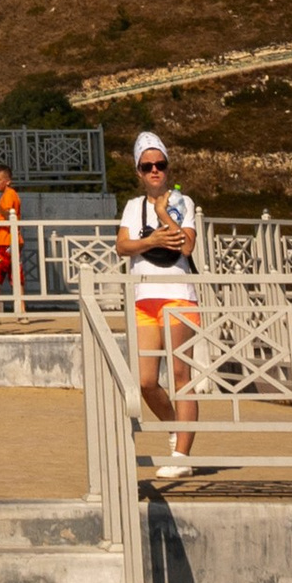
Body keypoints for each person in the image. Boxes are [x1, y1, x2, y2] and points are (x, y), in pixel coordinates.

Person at [117, 130, 200, 484]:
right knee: (147, 381)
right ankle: (174, 428)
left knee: (182, 376)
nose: (154, 171)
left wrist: (166, 214)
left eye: (160, 165)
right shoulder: (133, 207)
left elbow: (187, 246)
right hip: (144, 298)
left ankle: (182, 454)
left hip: (178, 293)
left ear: (168, 168)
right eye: (147, 165)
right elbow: (122, 246)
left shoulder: (186, 203)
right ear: (138, 171)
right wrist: (149, 240)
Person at [0, 158, 24, 305]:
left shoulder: (9, 195)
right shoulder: (9, 195)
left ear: (7, 181)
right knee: (15, 274)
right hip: (10, 240)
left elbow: (9, 216)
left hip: (6, 240)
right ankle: (22, 310)